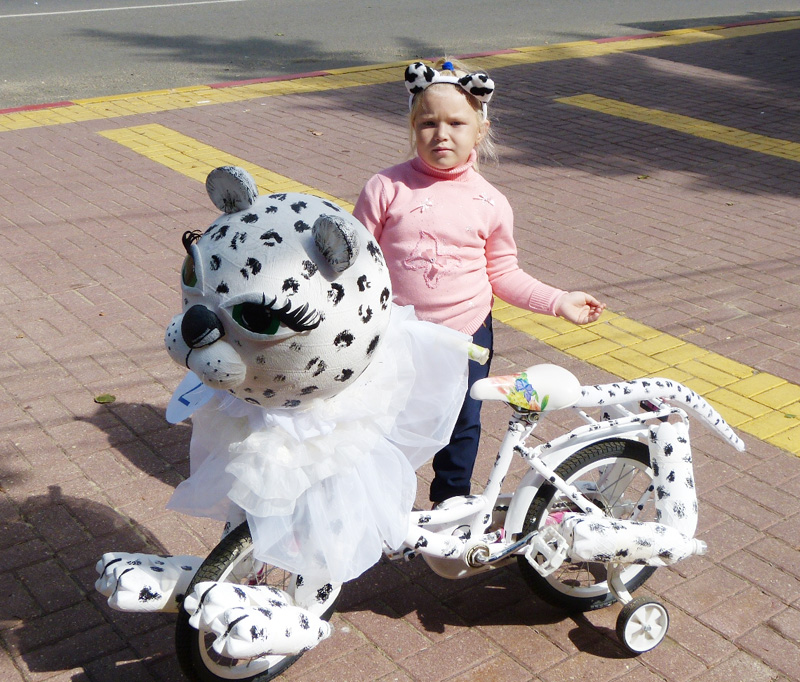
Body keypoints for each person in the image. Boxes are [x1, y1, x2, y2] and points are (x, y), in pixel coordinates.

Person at [353, 58, 605, 505]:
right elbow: (357, 259)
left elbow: (503, 273)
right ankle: (380, 500)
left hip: (466, 334)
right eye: (428, 122)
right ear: (413, 127)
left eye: (456, 123)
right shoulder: (386, 187)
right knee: (386, 418)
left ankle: (451, 503)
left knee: (462, 422)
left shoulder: (490, 201)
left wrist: (558, 300)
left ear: (480, 130)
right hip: (396, 333)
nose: (441, 134)